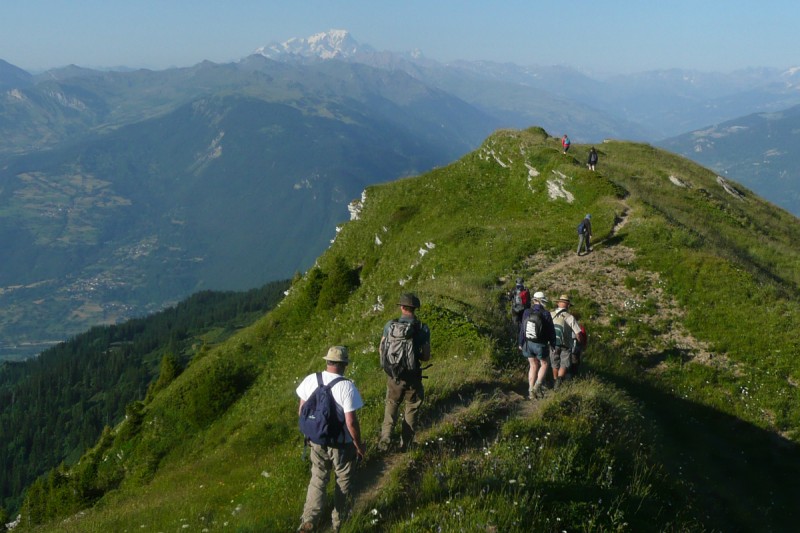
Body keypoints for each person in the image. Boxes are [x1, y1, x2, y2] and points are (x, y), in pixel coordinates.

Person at [297, 346, 365, 532]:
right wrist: (359, 446)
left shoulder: (311, 379)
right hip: (341, 444)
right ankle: (340, 522)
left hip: (316, 441)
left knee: (318, 478)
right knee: (343, 480)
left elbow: (302, 411)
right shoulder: (347, 386)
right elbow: (350, 422)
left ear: (327, 361)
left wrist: (311, 434)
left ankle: (309, 519)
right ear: (344, 365)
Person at [378, 293, 431, 452]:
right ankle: (406, 443)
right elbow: (426, 356)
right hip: (412, 375)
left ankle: (385, 439)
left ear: (401, 307)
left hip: (394, 375)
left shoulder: (390, 325)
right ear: (415, 309)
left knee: (392, 405)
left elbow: (382, 348)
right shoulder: (422, 328)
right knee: (412, 406)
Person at [518, 291, 556, 399]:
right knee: (544, 364)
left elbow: (522, 329)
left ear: (534, 300)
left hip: (528, 342)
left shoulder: (526, 312)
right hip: (540, 344)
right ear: (542, 301)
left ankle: (530, 390)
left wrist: (521, 343)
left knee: (532, 365)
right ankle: (537, 386)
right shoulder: (546, 313)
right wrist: (553, 344)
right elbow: (551, 330)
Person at [550, 295, 583, 388]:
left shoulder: (550, 314)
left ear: (558, 303)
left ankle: (555, 381)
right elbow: (578, 333)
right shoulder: (570, 317)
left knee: (554, 363)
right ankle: (559, 381)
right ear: (568, 305)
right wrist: (579, 343)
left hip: (553, 343)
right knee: (564, 363)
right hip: (566, 344)